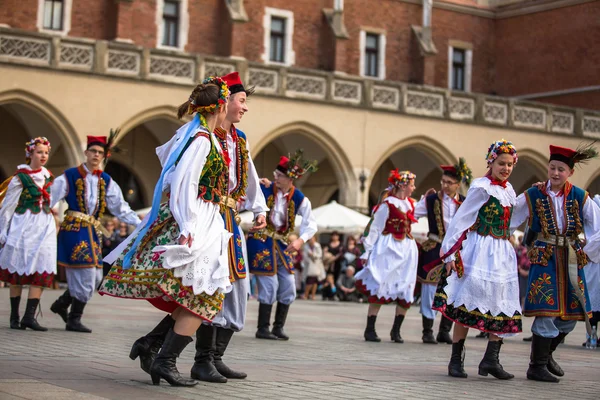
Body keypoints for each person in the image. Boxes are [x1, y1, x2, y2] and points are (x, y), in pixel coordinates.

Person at [99, 76, 232, 387]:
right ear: (221, 106)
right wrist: (188, 225)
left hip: (206, 219)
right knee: (203, 298)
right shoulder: (200, 139)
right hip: (198, 220)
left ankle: (153, 347)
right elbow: (184, 182)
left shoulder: (201, 135)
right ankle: (164, 360)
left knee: (191, 295)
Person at [188, 72, 268, 384]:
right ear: (226, 101)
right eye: (242, 100)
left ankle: (215, 357)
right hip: (209, 217)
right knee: (212, 285)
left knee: (237, 289)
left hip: (229, 220)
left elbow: (249, 174)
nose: (245, 107)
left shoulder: (239, 139)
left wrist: (259, 208)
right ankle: (201, 359)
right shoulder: (204, 134)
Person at [510, 144, 600, 383]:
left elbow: (597, 226)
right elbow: (511, 218)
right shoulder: (533, 194)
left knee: (574, 313)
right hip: (545, 257)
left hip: (570, 257)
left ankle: (546, 355)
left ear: (570, 172)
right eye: (552, 168)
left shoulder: (581, 197)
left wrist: (589, 252)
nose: (556, 173)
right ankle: (536, 365)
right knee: (545, 310)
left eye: (561, 169)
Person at [433, 139, 521, 380]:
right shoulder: (481, 187)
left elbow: (513, 219)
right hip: (479, 250)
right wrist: (450, 252)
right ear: (491, 162)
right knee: (467, 303)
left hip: (502, 253)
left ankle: (491, 359)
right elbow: (462, 219)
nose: (505, 168)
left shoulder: (509, 191)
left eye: (510, 164)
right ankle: (456, 360)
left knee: (501, 303)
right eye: (501, 163)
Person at [49, 133, 141, 333]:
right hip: (74, 229)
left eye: (100, 152)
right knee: (86, 274)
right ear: (86, 153)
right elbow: (50, 197)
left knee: (95, 276)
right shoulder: (70, 175)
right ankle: (73, 318)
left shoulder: (106, 180)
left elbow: (120, 207)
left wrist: (139, 222)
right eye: (93, 151)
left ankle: (62, 304)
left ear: (104, 156)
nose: (96, 155)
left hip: (92, 232)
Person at [248, 150, 318, 340]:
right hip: (262, 241)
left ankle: (278, 327)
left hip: (282, 244)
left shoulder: (300, 198)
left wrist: (300, 240)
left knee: (288, 286)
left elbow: (311, 224)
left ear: (290, 178)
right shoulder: (266, 189)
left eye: (279, 176)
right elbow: (248, 199)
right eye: (275, 175)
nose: (275, 178)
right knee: (269, 284)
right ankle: (262, 328)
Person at [355, 170, 419, 344]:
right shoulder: (387, 204)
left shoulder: (412, 204)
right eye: (411, 185)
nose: (413, 188)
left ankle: (396, 330)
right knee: (381, 283)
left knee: (406, 285)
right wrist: (367, 251)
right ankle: (370, 328)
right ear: (402, 185)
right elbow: (374, 228)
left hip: (406, 249)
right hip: (388, 249)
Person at [0, 137, 56, 331]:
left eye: (46, 153)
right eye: (40, 152)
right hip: (23, 225)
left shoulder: (49, 176)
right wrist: (3, 231)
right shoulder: (19, 177)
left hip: (44, 225)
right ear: (30, 154)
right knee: (17, 267)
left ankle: (29, 317)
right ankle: (14, 316)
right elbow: (8, 207)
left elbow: (54, 200)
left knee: (42, 266)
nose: (43, 156)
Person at [413, 159, 471, 345]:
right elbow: (411, 213)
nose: (445, 186)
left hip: (456, 250)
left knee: (453, 289)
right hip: (435, 247)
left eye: (449, 183)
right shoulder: (431, 200)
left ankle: (444, 330)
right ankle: (427, 330)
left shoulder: (464, 202)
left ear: (458, 184)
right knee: (430, 287)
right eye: (443, 182)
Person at [582, 194, 600, 348]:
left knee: (594, 305)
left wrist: (585, 249)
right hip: (593, 267)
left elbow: (593, 246)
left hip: (595, 267)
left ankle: (592, 336)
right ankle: (591, 335)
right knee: (592, 305)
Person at [303, 236, 326, 300]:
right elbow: (305, 256)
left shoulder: (317, 245)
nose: (311, 240)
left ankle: (313, 295)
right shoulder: (306, 246)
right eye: (310, 239)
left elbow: (320, 255)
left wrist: (313, 255)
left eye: (313, 239)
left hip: (316, 265)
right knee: (309, 281)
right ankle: (306, 294)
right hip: (309, 265)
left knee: (315, 281)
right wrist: (309, 258)